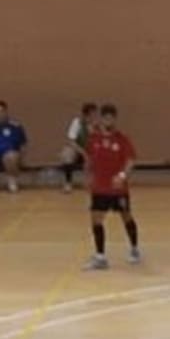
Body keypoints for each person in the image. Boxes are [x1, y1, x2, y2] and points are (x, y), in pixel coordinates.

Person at [83, 104, 141, 270]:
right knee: (96, 219)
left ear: (115, 119)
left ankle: (134, 248)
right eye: (106, 118)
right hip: (99, 188)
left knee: (126, 216)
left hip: (117, 189)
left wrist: (122, 176)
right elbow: (89, 159)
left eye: (111, 118)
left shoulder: (122, 139)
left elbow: (130, 160)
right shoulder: (93, 139)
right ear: (101, 119)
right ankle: (100, 256)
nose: (108, 121)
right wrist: (88, 177)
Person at [61, 103, 98, 194]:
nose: (94, 117)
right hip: (78, 150)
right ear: (86, 115)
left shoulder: (97, 126)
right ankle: (68, 183)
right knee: (67, 154)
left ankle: (91, 182)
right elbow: (71, 141)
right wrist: (83, 152)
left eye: (95, 114)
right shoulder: (77, 123)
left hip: (91, 151)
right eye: (92, 114)